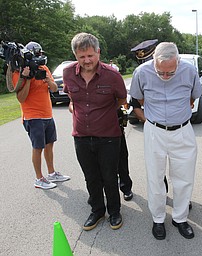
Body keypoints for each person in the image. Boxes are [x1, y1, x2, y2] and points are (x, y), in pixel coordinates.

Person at [130, 42, 202, 240]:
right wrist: (159, 114)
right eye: (161, 72)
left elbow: (192, 98)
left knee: (184, 177)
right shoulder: (141, 72)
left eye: (170, 72)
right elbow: (140, 99)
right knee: (155, 177)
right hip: (155, 131)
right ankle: (158, 218)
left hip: (182, 131)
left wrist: (174, 113)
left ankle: (180, 218)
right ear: (153, 60)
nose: (165, 77)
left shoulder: (189, 71)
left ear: (178, 61)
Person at [63, 32, 127, 231]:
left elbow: (121, 100)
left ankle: (114, 211)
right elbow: (71, 98)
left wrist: (104, 113)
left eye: (90, 55)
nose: (87, 60)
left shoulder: (113, 75)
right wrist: (77, 109)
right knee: (91, 176)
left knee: (109, 176)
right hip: (81, 136)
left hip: (108, 136)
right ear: (75, 55)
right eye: (82, 57)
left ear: (98, 53)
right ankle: (97, 210)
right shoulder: (67, 73)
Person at [9, 41, 70, 190]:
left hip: (47, 114)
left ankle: (51, 173)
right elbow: (21, 98)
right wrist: (28, 78)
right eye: (37, 54)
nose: (39, 57)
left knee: (50, 144)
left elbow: (54, 88)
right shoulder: (19, 72)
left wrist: (49, 80)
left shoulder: (44, 68)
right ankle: (39, 178)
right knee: (38, 147)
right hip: (32, 116)